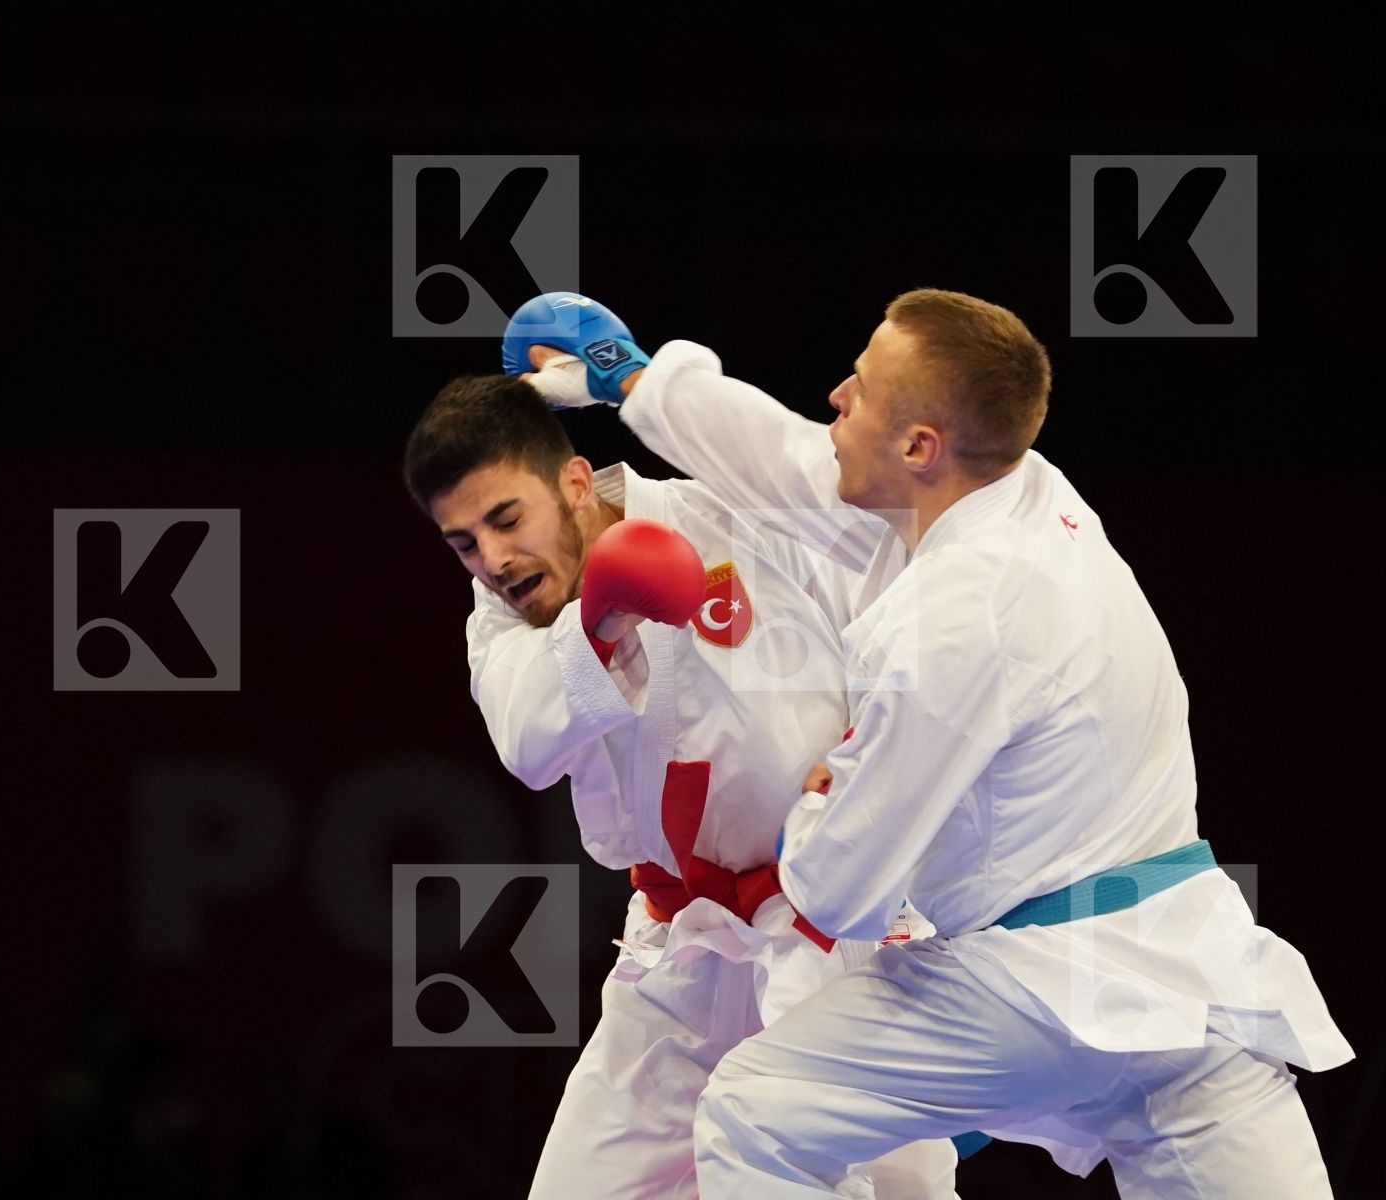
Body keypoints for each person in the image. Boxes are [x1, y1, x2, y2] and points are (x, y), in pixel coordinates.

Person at [514, 288, 1355, 1197]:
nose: (835, 395)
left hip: (1035, 994)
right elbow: (797, 465)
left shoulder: (949, 622)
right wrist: (638, 383)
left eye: (862, 389)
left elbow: (841, 889)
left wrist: (819, 790)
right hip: (1190, 984)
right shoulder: (1021, 488)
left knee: (755, 1110)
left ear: (918, 445)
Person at [402, 311, 960, 1199]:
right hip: (679, 947)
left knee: (889, 1189)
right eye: (463, 543)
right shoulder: (504, 620)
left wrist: (637, 376)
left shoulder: (728, 513)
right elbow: (526, 743)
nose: (495, 560)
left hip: (825, 926)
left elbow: (845, 495)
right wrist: (601, 619)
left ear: (578, 482)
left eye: (507, 519)